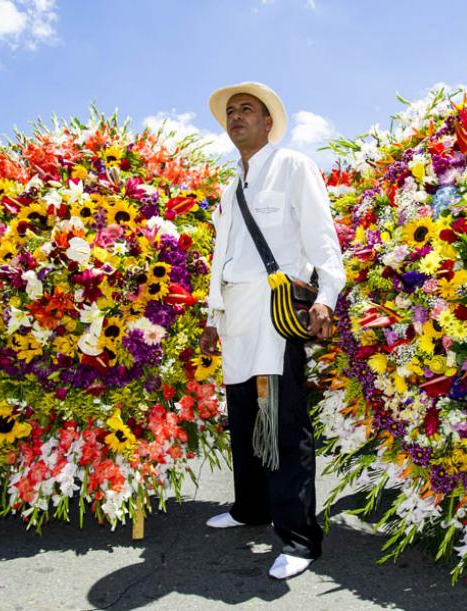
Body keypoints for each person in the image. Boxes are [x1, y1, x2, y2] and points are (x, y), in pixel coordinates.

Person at [199, 82, 345, 580]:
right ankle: (250, 509)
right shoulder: (229, 188)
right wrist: (212, 317)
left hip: (276, 311)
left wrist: (326, 297)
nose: (236, 117)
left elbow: (323, 238)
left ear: (268, 123)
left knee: (282, 421)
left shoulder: (293, 167)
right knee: (242, 416)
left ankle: (301, 540)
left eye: (247, 110)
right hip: (236, 315)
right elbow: (222, 258)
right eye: (231, 112)